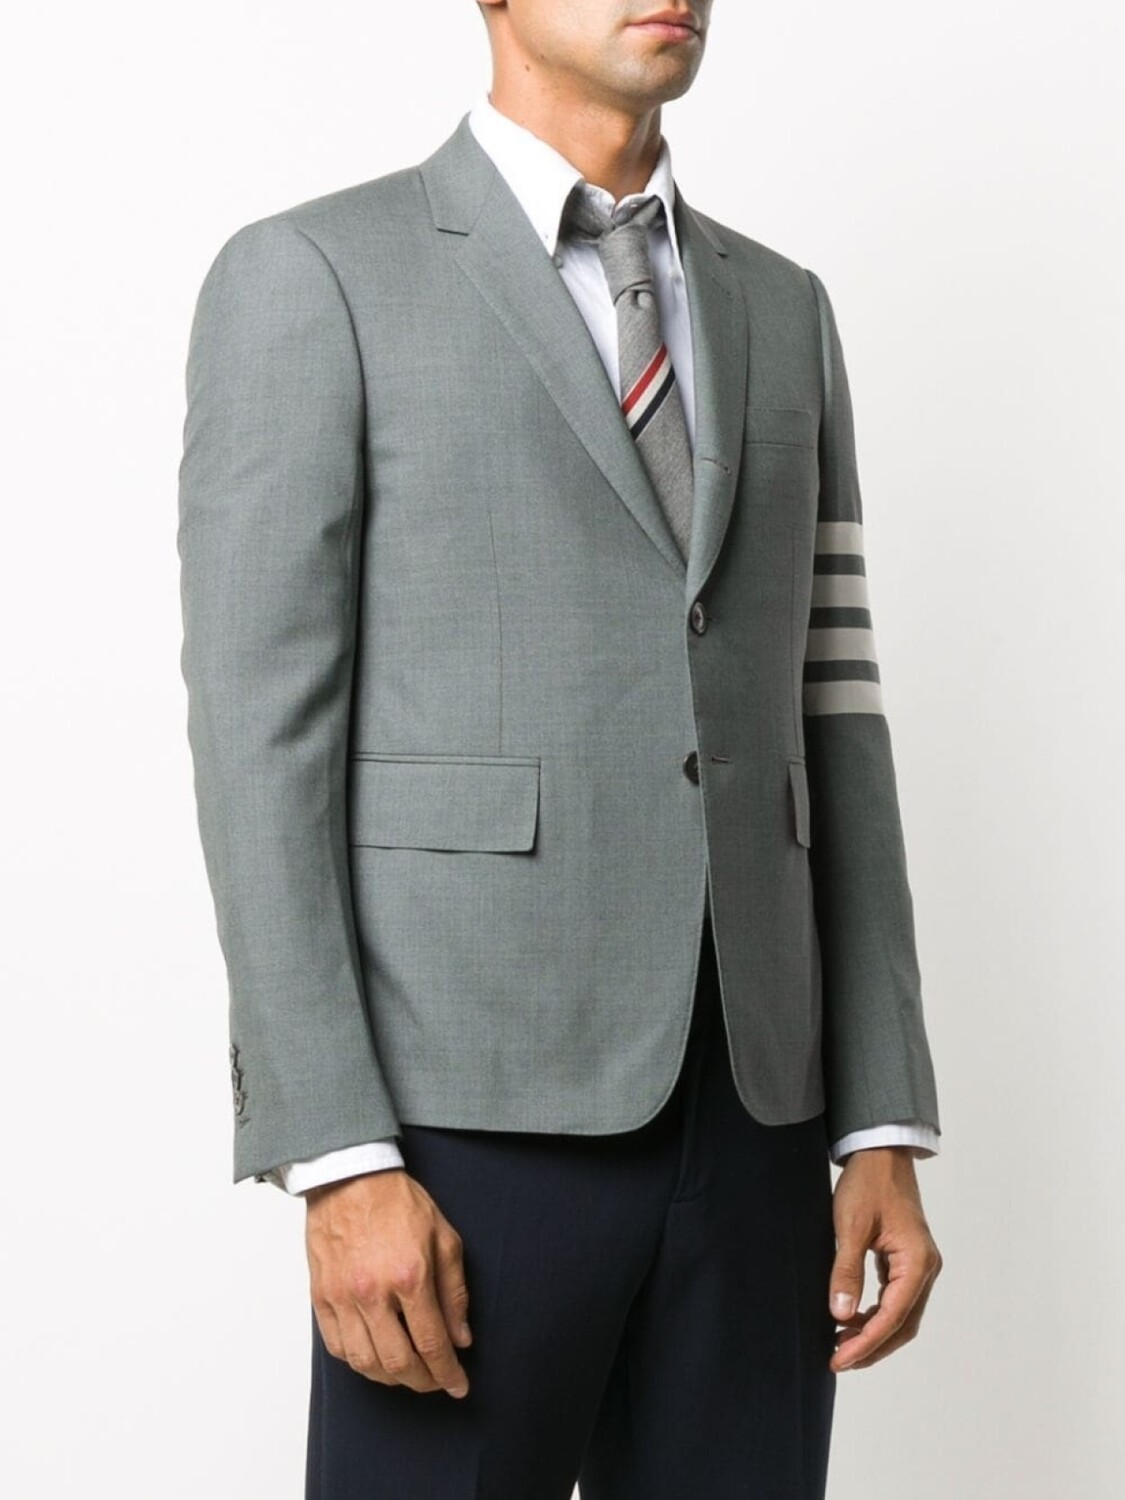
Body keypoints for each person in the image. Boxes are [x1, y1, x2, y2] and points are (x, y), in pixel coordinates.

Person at [177, 3, 944, 1495]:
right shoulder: (315, 275)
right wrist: (336, 1153)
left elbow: (834, 710)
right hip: (460, 1126)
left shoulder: (782, 306)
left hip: (758, 1118)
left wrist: (878, 1115)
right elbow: (259, 744)